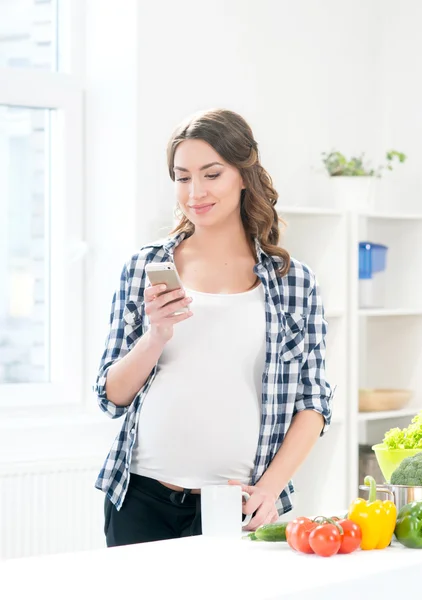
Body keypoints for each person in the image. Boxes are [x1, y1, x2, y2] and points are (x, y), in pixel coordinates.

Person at [94, 108, 334, 547]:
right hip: (138, 499)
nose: (196, 192)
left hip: (233, 506)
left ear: (244, 175)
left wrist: (271, 488)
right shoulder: (146, 268)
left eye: (211, 174)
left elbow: (314, 402)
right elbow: (111, 396)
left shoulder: (292, 281)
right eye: (183, 177)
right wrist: (156, 335)